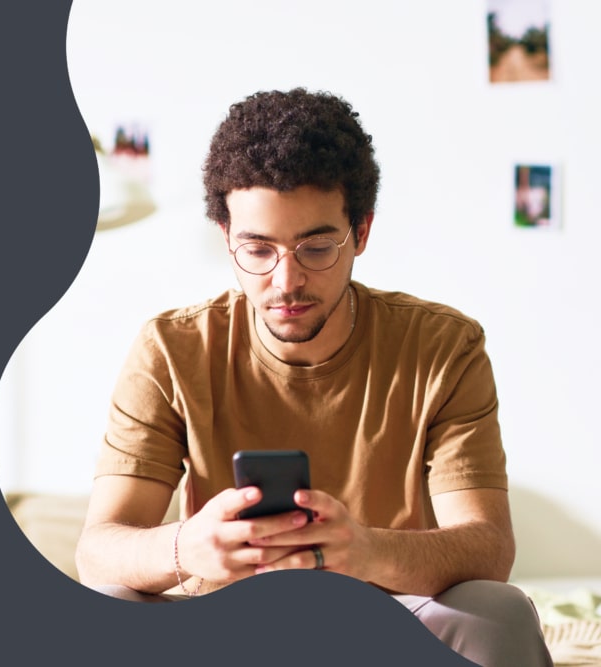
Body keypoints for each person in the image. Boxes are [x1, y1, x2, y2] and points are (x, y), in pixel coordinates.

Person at [75, 88, 553, 667]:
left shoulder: (443, 347)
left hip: (389, 625)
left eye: (317, 247)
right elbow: (98, 551)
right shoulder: (172, 350)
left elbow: (489, 549)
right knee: (106, 603)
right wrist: (187, 547)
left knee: (496, 609)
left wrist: (365, 551)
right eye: (258, 249)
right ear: (226, 237)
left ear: (362, 232)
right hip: (220, 629)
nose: (286, 281)